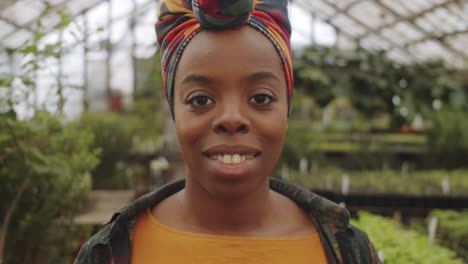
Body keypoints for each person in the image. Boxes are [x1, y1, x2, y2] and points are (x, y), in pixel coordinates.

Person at [74, 0, 381, 263]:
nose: (232, 119)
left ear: (287, 109)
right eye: (201, 100)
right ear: (174, 111)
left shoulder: (347, 252)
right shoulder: (111, 252)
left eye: (260, 98)